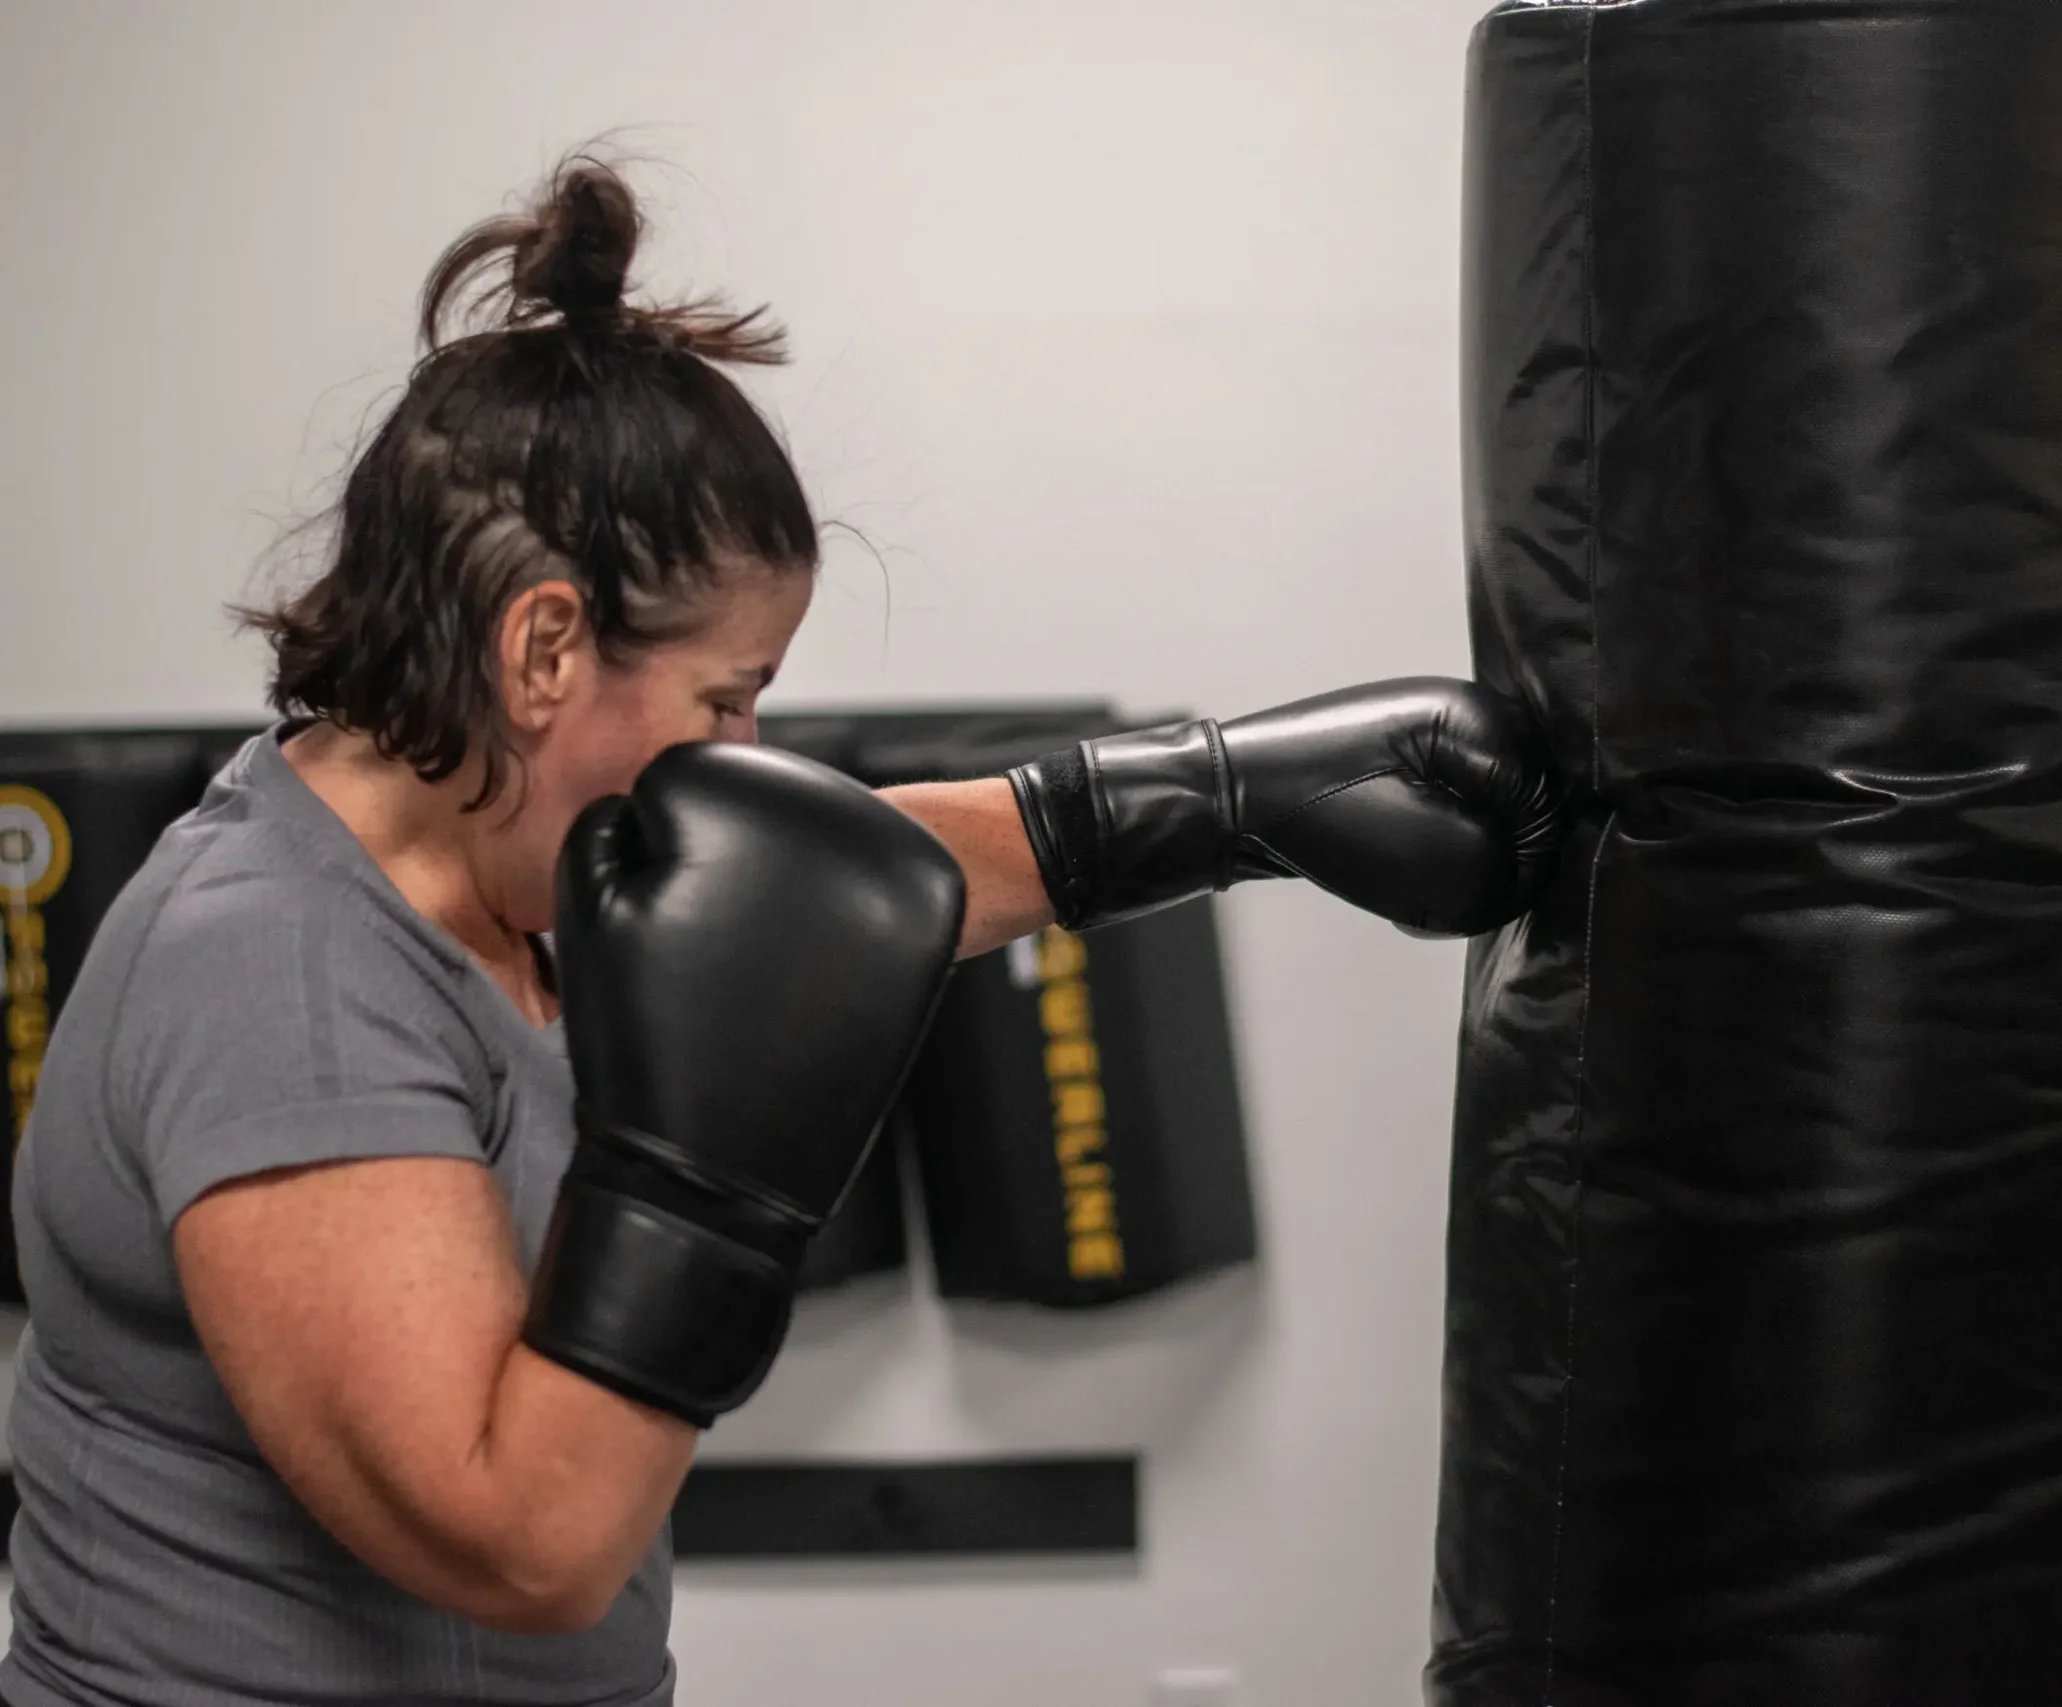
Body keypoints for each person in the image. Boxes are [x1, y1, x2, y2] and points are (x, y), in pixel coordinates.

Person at [1, 155, 1556, 1707]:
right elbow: (524, 1544)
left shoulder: (502, 863)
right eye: (724, 698)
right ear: (544, 646)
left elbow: (813, 883)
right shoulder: (281, 978)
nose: (744, 756)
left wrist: (1222, 801)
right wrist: (709, 1195)